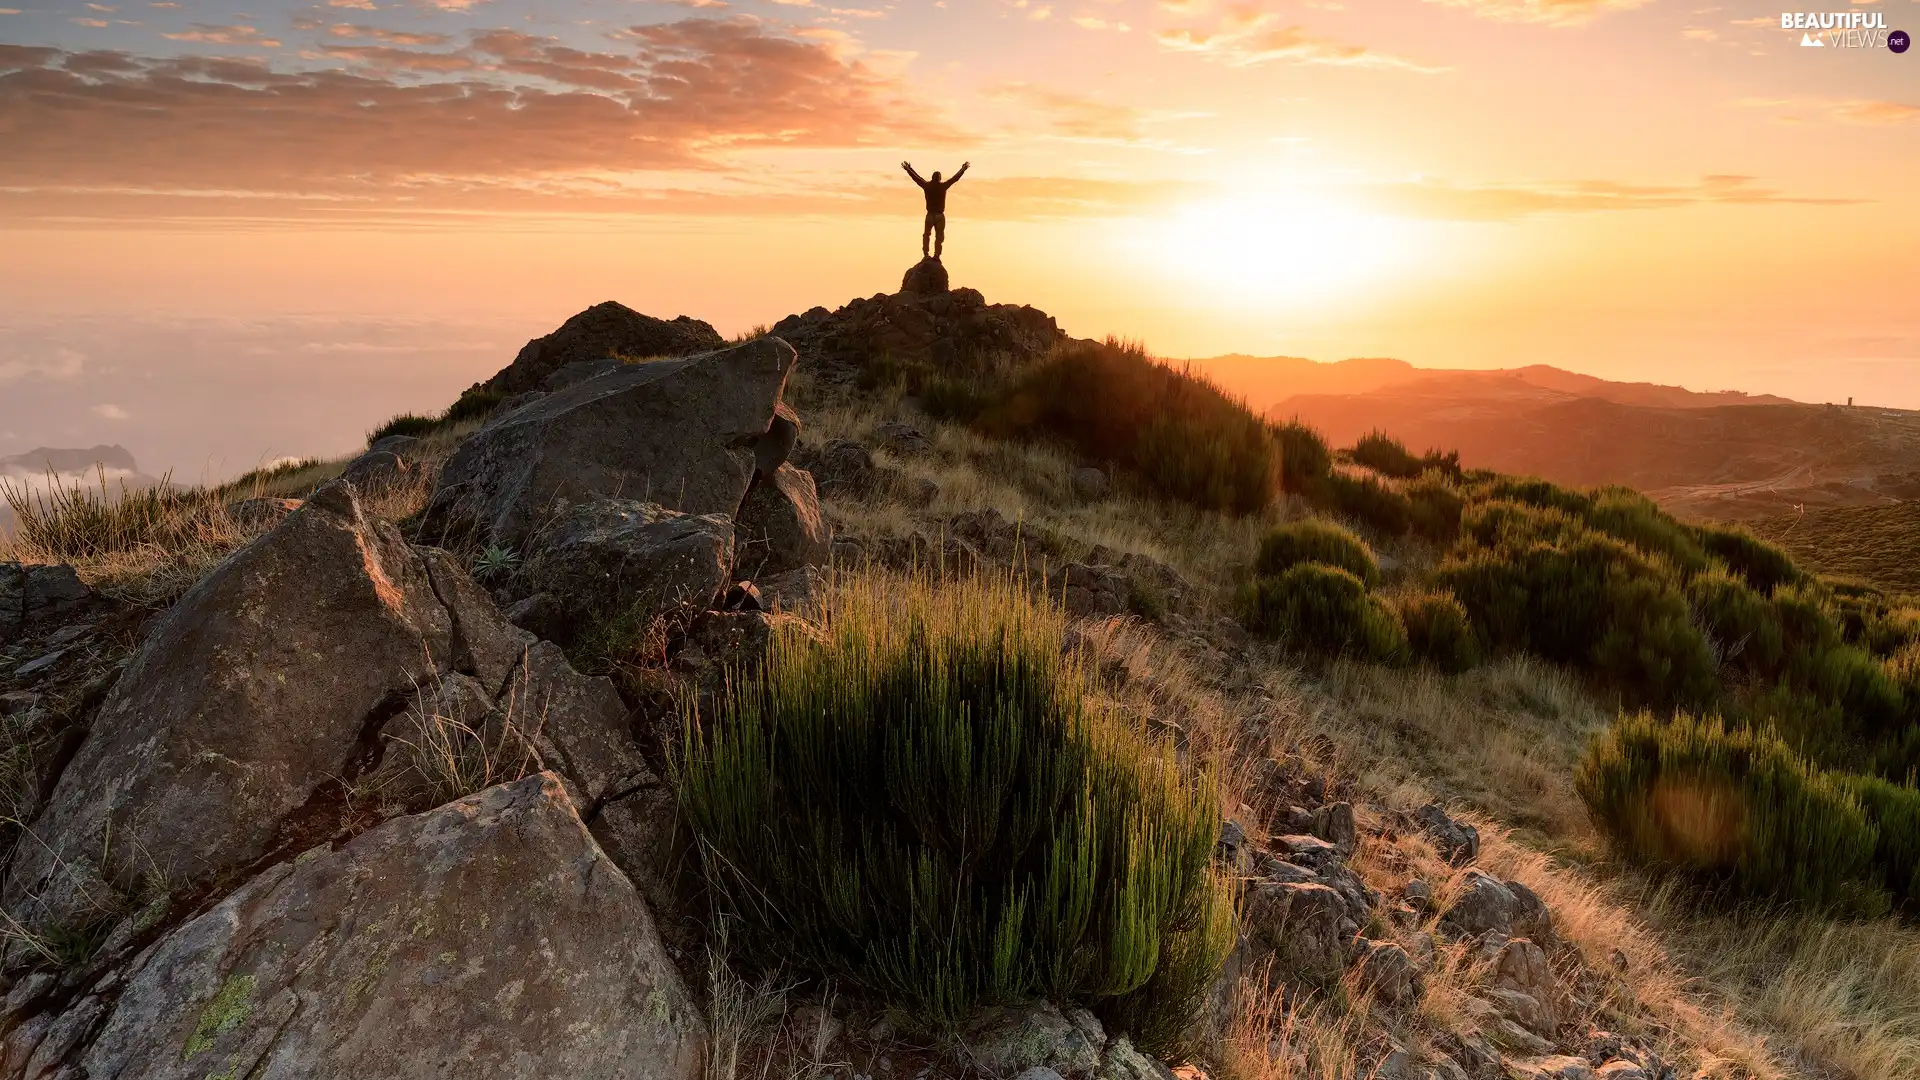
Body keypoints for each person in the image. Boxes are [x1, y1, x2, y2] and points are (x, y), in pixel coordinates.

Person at [902, 160, 969, 259]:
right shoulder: (942, 186)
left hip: (930, 215)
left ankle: (926, 254)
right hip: (939, 215)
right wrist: (963, 169)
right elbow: (955, 178)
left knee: (926, 235)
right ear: (939, 178)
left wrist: (909, 169)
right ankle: (936, 255)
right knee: (939, 237)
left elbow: (917, 178)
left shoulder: (927, 186)